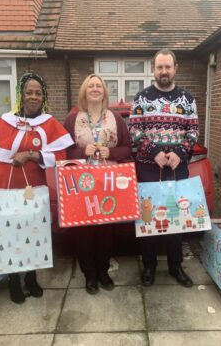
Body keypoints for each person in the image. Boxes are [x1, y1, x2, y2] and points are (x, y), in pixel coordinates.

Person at [0, 72, 74, 304]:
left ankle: (31, 278)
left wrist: (32, 155)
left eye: (38, 93)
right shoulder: (5, 122)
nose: (33, 97)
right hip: (7, 187)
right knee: (9, 233)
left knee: (34, 233)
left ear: (44, 97)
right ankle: (13, 280)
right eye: (29, 92)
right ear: (21, 95)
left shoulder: (49, 124)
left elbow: (61, 154)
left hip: (34, 188)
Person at [129, 49, 199, 288]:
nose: (164, 71)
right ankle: (148, 266)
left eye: (168, 67)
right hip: (149, 168)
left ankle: (175, 265)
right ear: (153, 69)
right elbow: (135, 130)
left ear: (175, 68)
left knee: (176, 217)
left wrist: (179, 152)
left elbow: (193, 130)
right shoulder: (142, 98)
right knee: (148, 218)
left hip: (177, 168)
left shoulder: (188, 99)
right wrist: (154, 152)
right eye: (160, 67)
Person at [63, 74, 132, 294]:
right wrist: (83, 151)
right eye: (90, 86)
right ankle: (89, 275)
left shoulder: (116, 119)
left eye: (98, 86)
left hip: (107, 183)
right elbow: (64, 150)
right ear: (84, 91)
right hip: (82, 185)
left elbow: (128, 148)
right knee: (84, 230)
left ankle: (103, 272)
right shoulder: (72, 119)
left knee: (106, 229)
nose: (94, 89)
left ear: (104, 92)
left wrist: (109, 151)